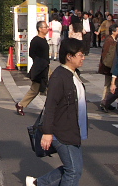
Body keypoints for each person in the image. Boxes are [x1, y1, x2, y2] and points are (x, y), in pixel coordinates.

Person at [26, 38, 88, 186]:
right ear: (69, 56)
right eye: (80, 54)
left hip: (73, 131)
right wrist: (47, 133)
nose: (83, 57)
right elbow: (50, 106)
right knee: (73, 170)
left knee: (73, 168)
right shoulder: (59, 77)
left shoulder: (73, 74)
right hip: (62, 132)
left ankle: (38, 183)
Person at [15, 21, 50, 116]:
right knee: (37, 89)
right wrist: (39, 62)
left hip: (45, 67)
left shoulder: (44, 39)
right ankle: (21, 104)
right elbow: (31, 53)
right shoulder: (36, 40)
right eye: (45, 27)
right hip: (40, 68)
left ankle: (21, 104)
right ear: (40, 29)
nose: (47, 28)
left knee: (37, 89)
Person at [98, 24, 118, 112]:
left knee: (109, 85)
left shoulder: (113, 40)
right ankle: (104, 103)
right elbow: (107, 56)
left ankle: (107, 102)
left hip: (110, 66)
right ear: (113, 31)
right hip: (108, 67)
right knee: (108, 85)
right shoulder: (109, 40)